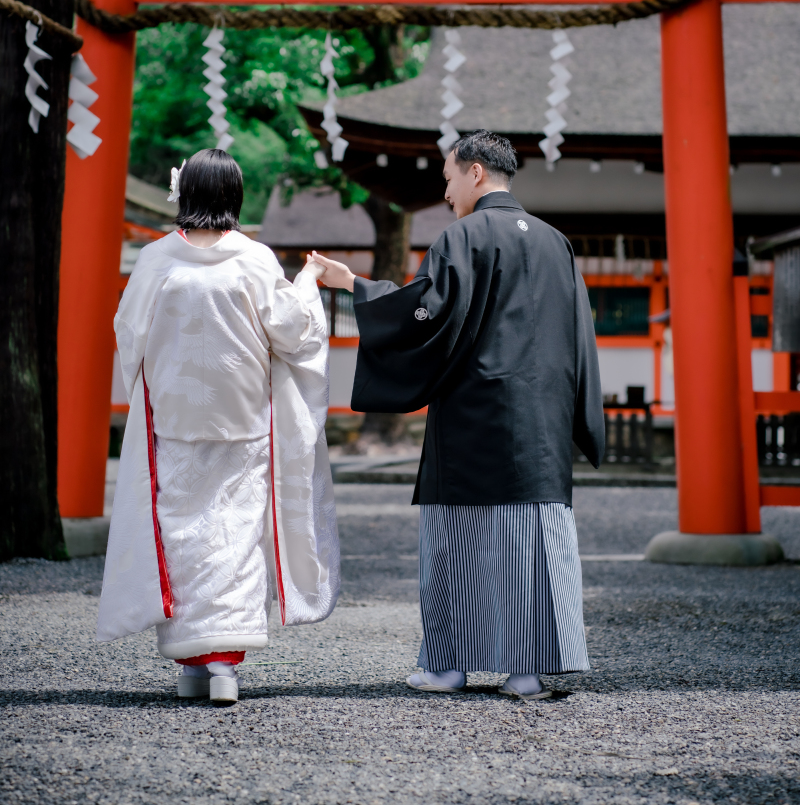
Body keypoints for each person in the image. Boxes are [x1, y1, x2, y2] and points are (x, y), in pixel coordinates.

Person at [313, 130, 603, 702]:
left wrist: (357, 287)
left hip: (476, 413)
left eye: (448, 179)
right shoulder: (556, 242)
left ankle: (448, 667)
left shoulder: (463, 237)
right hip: (541, 422)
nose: (446, 193)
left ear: (475, 172)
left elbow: (427, 315)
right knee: (533, 543)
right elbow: (579, 335)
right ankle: (527, 672)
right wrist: (578, 411)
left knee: (460, 543)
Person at [97, 149, 339, 705]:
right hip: (243, 421)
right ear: (233, 195)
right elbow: (294, 332)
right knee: (234, 535)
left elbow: (128, 332)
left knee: (181, 537)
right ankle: (223, 666)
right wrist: (307, 279)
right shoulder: (253, 259)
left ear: (184, 194)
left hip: (176, 423)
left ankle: (190, 667)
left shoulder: (156, 260)